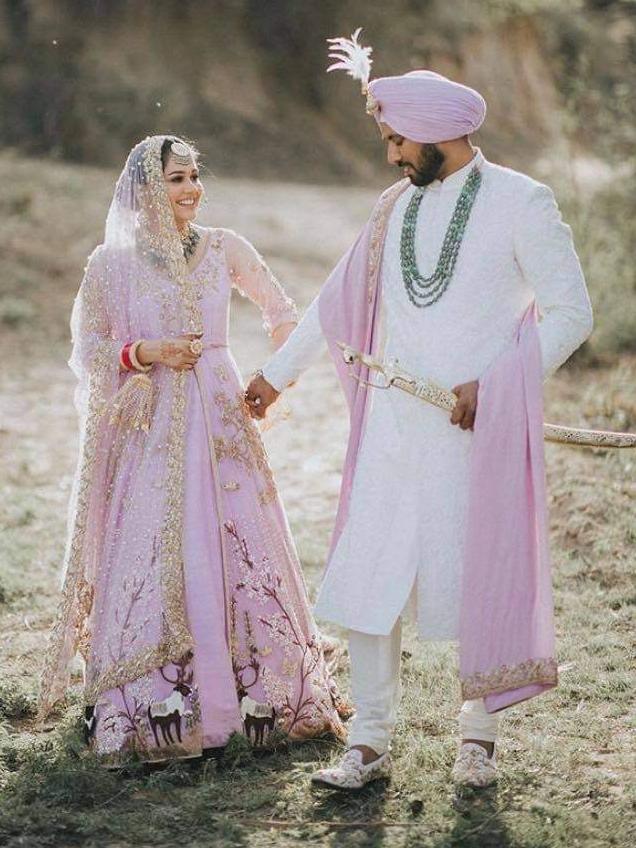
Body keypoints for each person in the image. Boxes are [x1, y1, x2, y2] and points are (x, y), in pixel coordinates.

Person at [246, 38, 593, 790]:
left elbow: (571, 313)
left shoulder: (521, 201)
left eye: (396, 139)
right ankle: (368, 743)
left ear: (437, 131)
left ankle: (479, 738)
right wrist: (275, 380)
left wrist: (497, 381)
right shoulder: (392, 208)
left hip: (474, 434)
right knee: (369, 580)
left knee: (474, 583)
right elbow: (333, 303)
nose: (391, 154)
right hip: (390, 430)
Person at [38, 134, 346, 765]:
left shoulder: (224, 246)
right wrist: (144, 354)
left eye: (194, 176)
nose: (190, 190)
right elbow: (89, 347)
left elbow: (288, 313)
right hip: (149, 428)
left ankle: (260, 699)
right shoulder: (111, 264)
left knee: (237, 537)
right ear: (147, 187)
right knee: (158, 545)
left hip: (220, 415)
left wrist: (271, 378)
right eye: (176, 179)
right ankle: (159, 709)